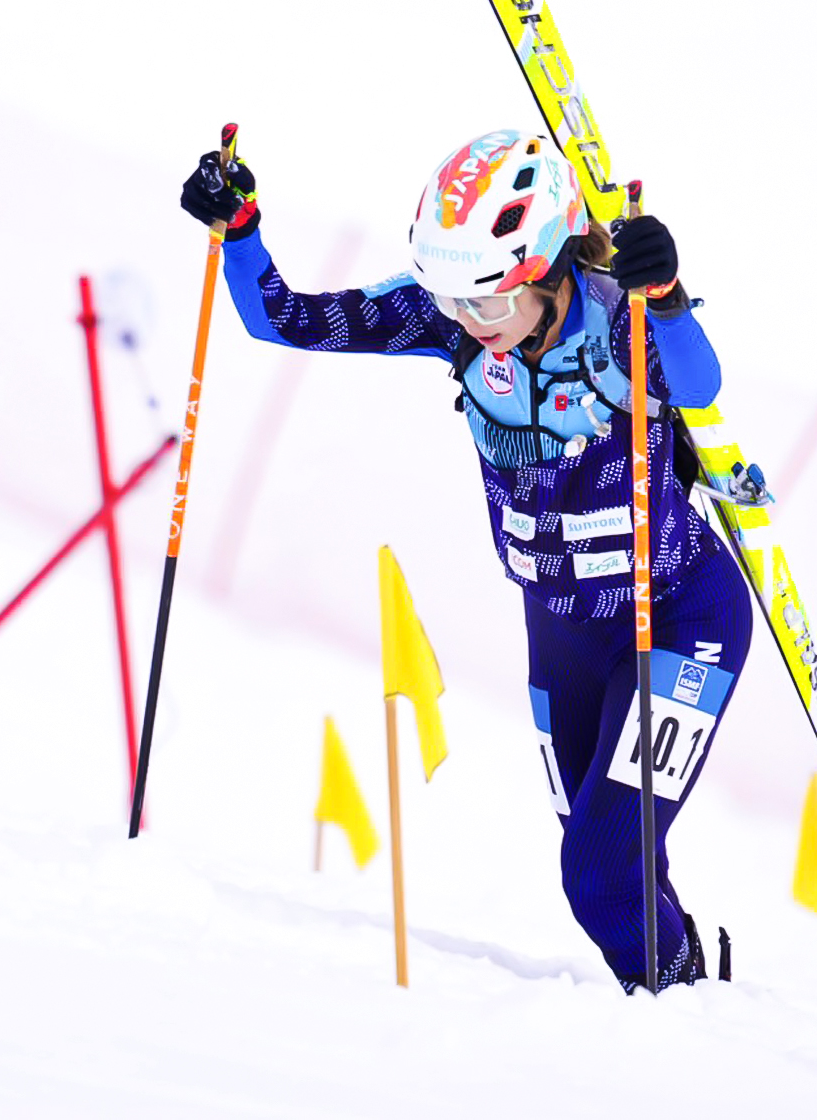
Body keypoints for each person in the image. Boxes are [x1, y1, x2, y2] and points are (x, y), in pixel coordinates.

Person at [180, 127, 752, 992]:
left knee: (599, 871)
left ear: (547, 269)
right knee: (614, 859)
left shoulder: (618, 319)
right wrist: (240, 229)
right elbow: (284, 318)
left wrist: (665, 299)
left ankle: (682, 1011)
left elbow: (701, 387)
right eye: (452, 300)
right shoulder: (452, 317)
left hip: (675, 616)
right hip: (561, 631)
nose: (467, 321)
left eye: (485, 301)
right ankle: (688, 1001)